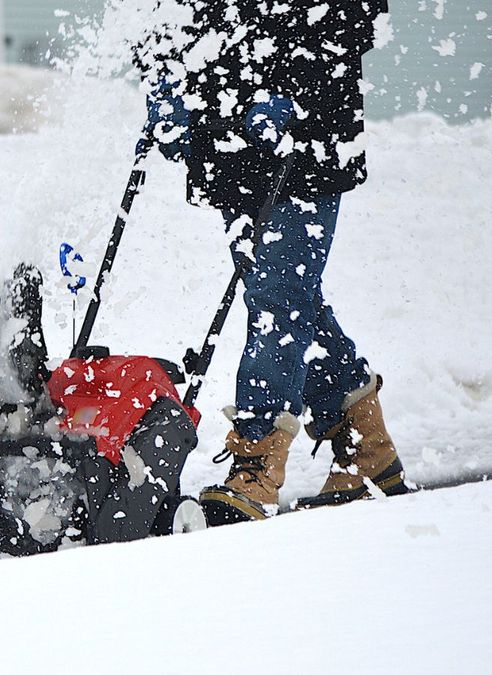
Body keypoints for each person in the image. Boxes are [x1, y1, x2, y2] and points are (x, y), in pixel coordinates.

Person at [133, 0, 408, 525]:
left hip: (305, 142)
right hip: (226, 146)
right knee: (285, 298)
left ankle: (256, 461)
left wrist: (298, 77)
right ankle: (364, 443)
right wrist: (164, 75)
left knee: (277, 298)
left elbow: (356, 14)